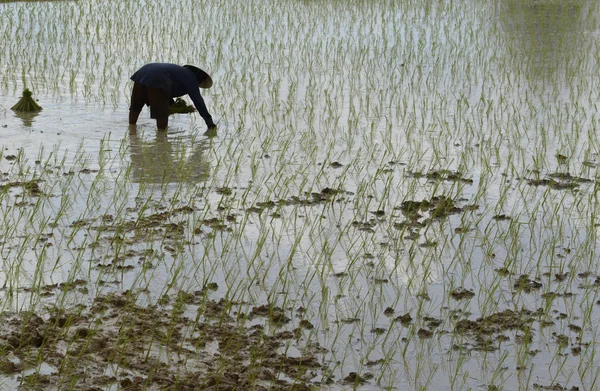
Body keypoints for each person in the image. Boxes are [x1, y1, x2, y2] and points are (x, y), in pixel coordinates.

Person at [128, 63, 216, 130]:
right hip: (159, 78)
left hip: (142, 72)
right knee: (162, 115)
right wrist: (209, 122)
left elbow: (168, 90)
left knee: (135, 107)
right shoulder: (191, 78)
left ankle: (131, 130)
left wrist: (171, 104)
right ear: (202, 78)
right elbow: (198, 101)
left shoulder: (180, 72)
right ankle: (161, 141)